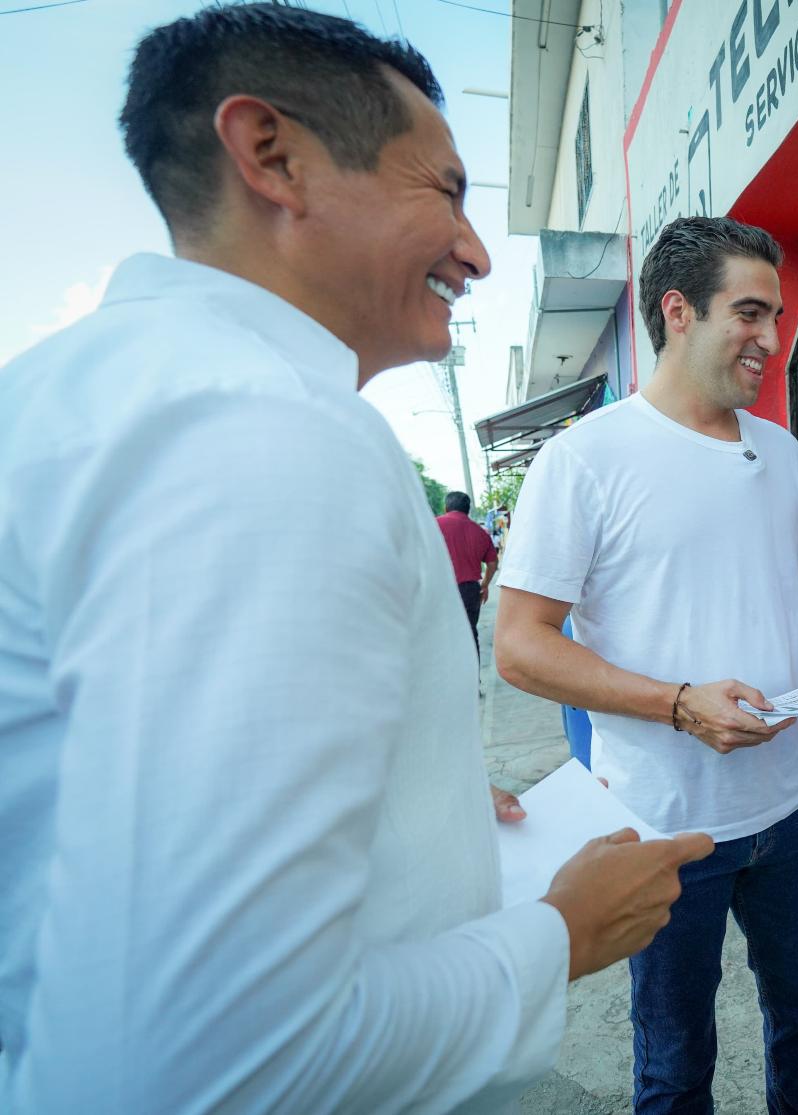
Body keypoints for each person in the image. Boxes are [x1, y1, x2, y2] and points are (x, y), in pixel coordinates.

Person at [0, 7, 711, 1112]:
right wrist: (556, 934)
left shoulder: (77, 393)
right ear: (271, 156)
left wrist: (397, 797)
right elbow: (201, 1059)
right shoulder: (255, 428)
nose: (476, 252)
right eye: (444, 191)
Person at [494, 215, 798, 1113]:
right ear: (677, 310)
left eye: (779, 315)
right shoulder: (585, 457)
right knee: (676, 1058)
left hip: (791, 808)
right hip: (662, 819)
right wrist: (680, 705)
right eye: (749, 312)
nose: (772, 338)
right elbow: (521, 645)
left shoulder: (782, 452)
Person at [437, 489, 499, 661]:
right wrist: (485, 585)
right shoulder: (479, 531)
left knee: (442, 638)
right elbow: (493, 564)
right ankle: (473, 684)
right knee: (470, 635)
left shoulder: (434, 525)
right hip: (470, 590)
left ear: (446, 507)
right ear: (468, 509)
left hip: (442, 590)